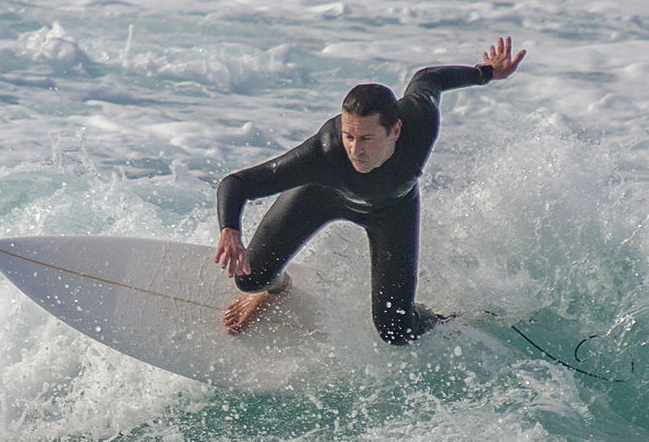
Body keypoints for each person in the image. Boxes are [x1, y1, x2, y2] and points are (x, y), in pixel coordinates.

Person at [213, 35, 526, 344]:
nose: (354, 149)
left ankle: (445, 320)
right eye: (349, 136)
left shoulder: (419, 121)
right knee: (250, 279)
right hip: (319, 196)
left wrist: (486, 73)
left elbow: (428, 78)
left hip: (392, 212)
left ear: (395, 130)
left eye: (366, 139)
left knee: (396, 331)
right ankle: (277, 289)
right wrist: (230, 230)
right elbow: (237, 183)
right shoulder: (324, 153)